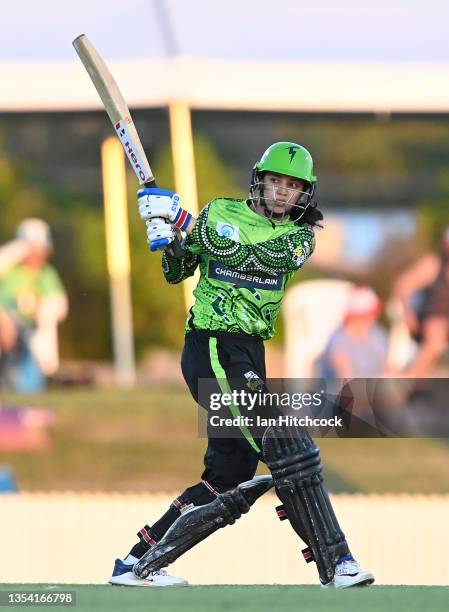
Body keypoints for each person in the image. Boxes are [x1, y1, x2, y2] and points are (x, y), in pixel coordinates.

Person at [109, 142, 374, 588]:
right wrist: (169, 239)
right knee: (288, 445)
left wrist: (182, 222)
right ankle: (337, 562)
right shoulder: (218, 213)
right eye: (276, 182)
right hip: (213, 346)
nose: (283, 193)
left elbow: (252, 258)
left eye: (293, 186)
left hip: (249, 351)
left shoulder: (297, 237)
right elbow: (179, 271)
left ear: (304, 193)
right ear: (259, 180)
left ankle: (138, 563)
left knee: (230, 475)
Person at [0, 219, 68, 392]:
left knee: (29, 386)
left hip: (30, 338)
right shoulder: (9, 271)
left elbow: (58, 306)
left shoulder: (46, 274)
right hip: (7, 332)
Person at [393, 226, 449, 376]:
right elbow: (402, 284)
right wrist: (407, 313)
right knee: (437, 336)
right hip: (427, 320)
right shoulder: (433, 265)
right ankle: (407, 380)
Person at [318, 286, 389, 378]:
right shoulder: (338, 341)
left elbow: (386, 369)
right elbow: (346, 379)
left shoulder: (378, 335)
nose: (373, 318)